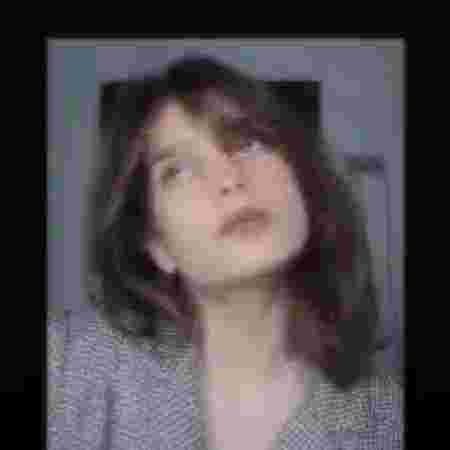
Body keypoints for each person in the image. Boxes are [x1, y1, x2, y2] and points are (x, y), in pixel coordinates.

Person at [47, 55, 403, 449]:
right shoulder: (69, 370)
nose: (229, 180)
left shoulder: (384, 422)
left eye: (247, 143)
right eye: (178, 171)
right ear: (158, 245)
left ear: (302, 184)